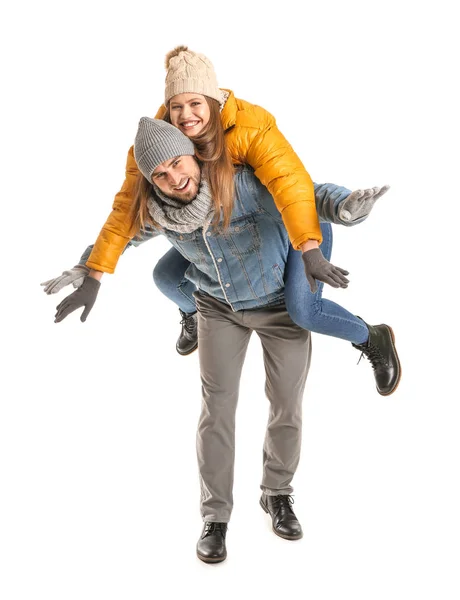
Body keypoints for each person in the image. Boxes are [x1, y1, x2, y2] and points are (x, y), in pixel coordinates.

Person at [51, 119, 400, 563]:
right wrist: (87, 270)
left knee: (286, 405)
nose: (175, 179)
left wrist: (346, 205)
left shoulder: (241, 185)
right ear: (150, 179)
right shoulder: (157, 211)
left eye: (178, 163)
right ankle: (214, 516)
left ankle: (277, 494)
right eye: (160, 173)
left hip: (278, 303)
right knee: (215, 410)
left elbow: (302, 192)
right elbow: (117, 237)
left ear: (193, 155)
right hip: (219, 308)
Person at [43, 45, 399, 395]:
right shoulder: (160, 145)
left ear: (213, 102)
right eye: (176, 107)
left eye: (196, 104)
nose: (186, 116)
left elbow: (292, 184)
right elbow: (128, 214)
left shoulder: (251, 127)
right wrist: (92, 271)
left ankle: (372, 337)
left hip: (290, 221)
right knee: (166, 276)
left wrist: (328, 223)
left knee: (304, 311)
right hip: (225, 227)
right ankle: (194, 315)